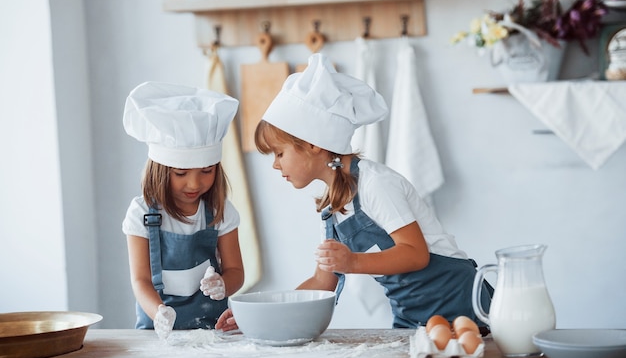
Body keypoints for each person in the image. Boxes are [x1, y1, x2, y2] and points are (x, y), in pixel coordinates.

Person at [217, 54, 492, 332]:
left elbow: (415, 254)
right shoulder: (334, 206)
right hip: (412, 317)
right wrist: (259, 315)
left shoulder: (376, 183)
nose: (276, 165)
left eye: (279, 153)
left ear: (313, 144)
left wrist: (352, 261)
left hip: (461, 305)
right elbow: (322, 282)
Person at [122, 81, 244, 339]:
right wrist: (159, 313)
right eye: (180, 173)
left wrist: (223, 285)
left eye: (207, 171)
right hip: (157, 335)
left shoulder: (221, 212)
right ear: (160, 170)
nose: (194, 183)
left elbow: (236, 272)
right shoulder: (141, 214)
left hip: (213, 333)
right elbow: (140, 280)